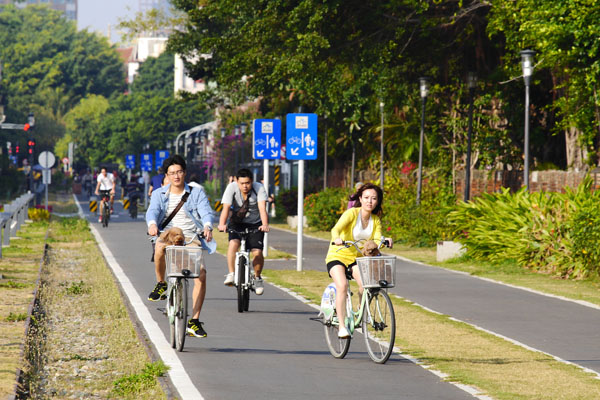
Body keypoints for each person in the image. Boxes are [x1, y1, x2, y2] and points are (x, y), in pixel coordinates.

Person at [146, 155, 215, 338]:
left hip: (191, 237)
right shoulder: (160, 194)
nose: (176, 176)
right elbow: (152, 211)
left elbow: (206, 212)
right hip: (168, 236)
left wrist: (207, 226)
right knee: (159, 247)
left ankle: (194, 321)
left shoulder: (196, 193)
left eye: (179, 172)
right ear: (166, 176)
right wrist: (152, 224)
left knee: (201, 274)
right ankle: (161, 284)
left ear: (185, 173)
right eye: (172, 173)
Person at [325, 183, 393, 338]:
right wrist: (336, 239)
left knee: (366, 285)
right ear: (360, 199)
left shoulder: (375, 220)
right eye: (367, 198)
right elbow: (335, 229)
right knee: (342, 285)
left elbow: (376, 239)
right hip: (338, 255)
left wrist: (385, 240)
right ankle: (342, 327)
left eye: (374, 198)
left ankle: (362, 310)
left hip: (357, 259)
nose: (370, 201)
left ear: (377, 202)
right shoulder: (351, 213)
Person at [218, 168, 270, 295]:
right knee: (233, 244)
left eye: (247, 183)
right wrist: (222, 224)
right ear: (236, 181)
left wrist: (265, 224)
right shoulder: (231, 188)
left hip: (255, 224)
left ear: (252, 181)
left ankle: (257, 278)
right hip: (237, 222)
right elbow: (225, 208)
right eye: (242, 183)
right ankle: (231, 273)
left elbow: (262, 208)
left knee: (257, 252)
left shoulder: (259, 188)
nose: (245, 186)